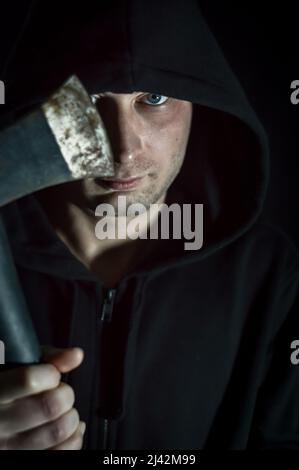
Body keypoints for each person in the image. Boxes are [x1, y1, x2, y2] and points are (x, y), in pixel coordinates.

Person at [0, 0, 298, 450]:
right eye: (92, 98)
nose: (123, 149)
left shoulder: (266, 274)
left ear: (201, 102)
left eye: (154, 98)